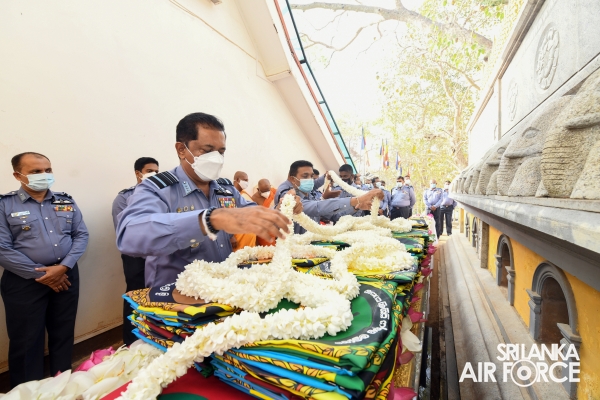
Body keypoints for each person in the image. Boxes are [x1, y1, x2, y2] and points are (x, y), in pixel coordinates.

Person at [117, 112, 298, 288]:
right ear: (181, 150)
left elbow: (252, 214)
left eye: (221, 152)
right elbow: (129, 236)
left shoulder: (225, 189)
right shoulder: (159, 189)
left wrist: (282, 210)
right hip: (177, 299)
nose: (217, 159)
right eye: (207, 150)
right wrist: (207, 220)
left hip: (222, 291)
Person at [0, 152, 89, 388]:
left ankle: (62, 386)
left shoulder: (65, 200)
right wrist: (43, 275)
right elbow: (2, 248)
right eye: (36, 172)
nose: (44, 175)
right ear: (18, 175)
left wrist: (63, 267)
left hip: (66, 275)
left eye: (47, 170)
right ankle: (28, 391)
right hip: (24, 282)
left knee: (63, 333)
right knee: (26, 341)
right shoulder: (5, 205)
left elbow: (81, 235)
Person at [111, 156, 159, 346]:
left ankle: (157, 338)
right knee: (135, 297)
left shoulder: (163, 194)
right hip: (137, 258)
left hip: (161, 255)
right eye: (149, 171)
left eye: (156, 170)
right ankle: (131, 342)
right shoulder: (124, 198)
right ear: (138, 173)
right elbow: (127, 232)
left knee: (159, 296)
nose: (154, 174)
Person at [275, 160, 382, 234]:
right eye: (305, 176)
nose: (311, 180)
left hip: (312, 244)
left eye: (312, 176)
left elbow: (334, 216)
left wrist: (356, 207)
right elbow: (316, 207)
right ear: (292, 179)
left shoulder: (309, 193)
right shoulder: (288, 194)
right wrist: (357, 199)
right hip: (295, 247)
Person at [231, 171, 256, 251]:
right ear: (238, 180)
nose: (247, 182)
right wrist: (230, 236)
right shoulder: (228, 194)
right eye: (245, 180)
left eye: (247, 180)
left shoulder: (243, 194)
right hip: (236, 235)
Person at [251, 179, 278, 246]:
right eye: (264, 191)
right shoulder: (254, 198)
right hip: (264, 229)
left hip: (277, 226)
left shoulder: (275, 192)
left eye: (268, 190)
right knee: (267, 252)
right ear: (258, 189)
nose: (267, 193)